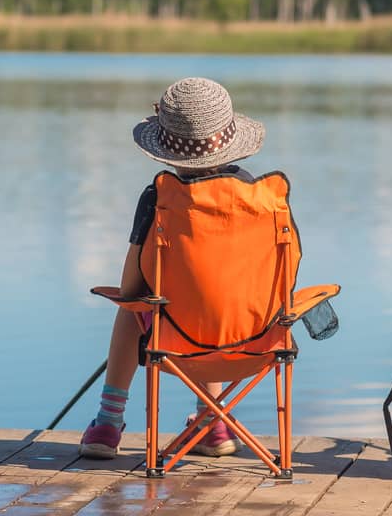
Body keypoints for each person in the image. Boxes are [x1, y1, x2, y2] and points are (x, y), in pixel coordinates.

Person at [80, 76, 266, 459]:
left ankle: (107, 423)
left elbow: (130, 287)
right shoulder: (262, 200)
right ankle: (212, 422)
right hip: (254, 338)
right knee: (217, 300)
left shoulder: (160, 200)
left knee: (130, 310)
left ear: (168, 150)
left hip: (176, 338)